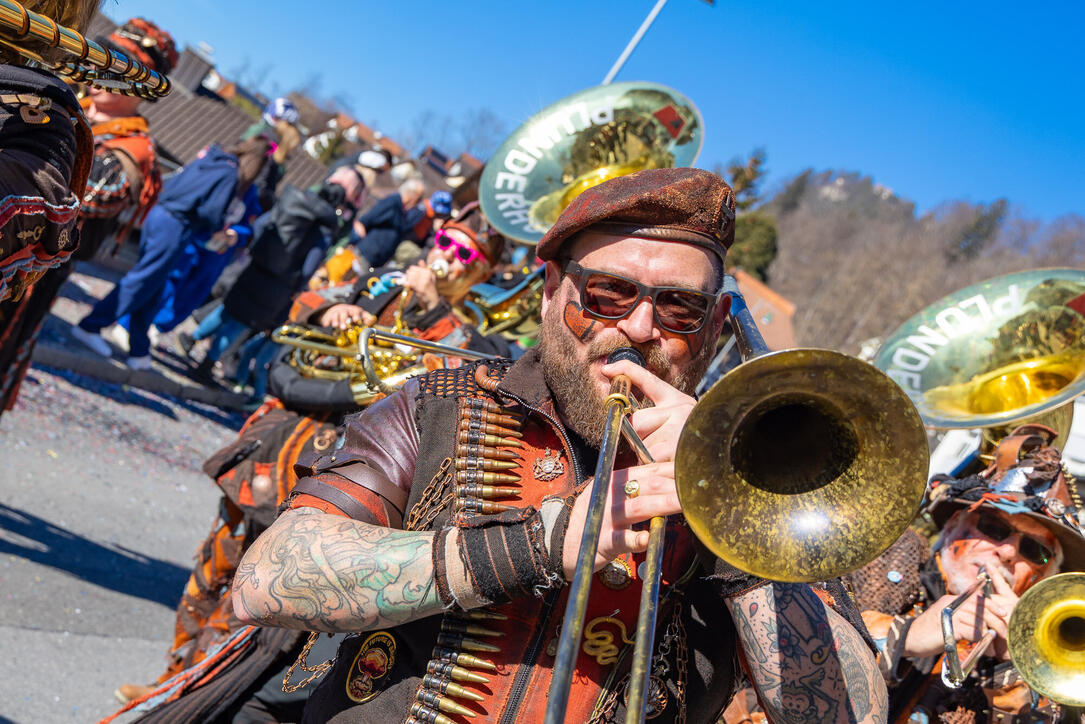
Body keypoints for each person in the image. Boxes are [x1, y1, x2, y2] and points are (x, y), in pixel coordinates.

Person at [232, 168, 886, 723]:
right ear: (551, 291)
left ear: (715, 327)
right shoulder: (445, 404)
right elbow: (267, 580)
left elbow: (849, 711)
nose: (637, 327)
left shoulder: (748, 495)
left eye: (679, 309)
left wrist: (734, 507)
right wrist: (535, 545)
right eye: (606, 293)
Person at [107, 206, 512, 721]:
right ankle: (166, 686)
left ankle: (196, 701)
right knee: (207, 579)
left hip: (328, 478)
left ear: (479, 273)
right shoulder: (382, 285)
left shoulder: (467, 337)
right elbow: (303, 305)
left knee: (249, 611)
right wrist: (330, 315)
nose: (446, 260)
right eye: (445, 244)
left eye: (464, 256)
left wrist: (433, 315)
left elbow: (443, 392)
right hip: (270, 450)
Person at [842, 424, 1085, 723]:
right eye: (994, 528)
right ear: (956, 522)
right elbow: (799, 644)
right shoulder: (881, 556)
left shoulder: (1046, 663)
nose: (1008, 552)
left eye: (1034, 551)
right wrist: (905, 637)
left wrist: (1020, 674)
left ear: (1043, 574)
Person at [70, 137, 272, 369]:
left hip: (160, 216)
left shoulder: (214, 159)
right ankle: (90, 325)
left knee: (153, 285)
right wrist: (218, 231)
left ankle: (139, 349)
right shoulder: (230, 174)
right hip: (177, 226)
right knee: (142, 280)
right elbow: (211, 211)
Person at [195, 165, 368, 380]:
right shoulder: (326, 224)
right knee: (238, 325)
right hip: (278, 284)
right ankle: (205, 365)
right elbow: (309, 266)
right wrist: (298, 287)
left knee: (227, 310)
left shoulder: (294, 200)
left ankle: (193, 338)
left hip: (256, 266)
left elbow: (261, 225)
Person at [351, 177, 425, 269]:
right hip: (365, 253)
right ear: (410, 193)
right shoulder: (393, 202)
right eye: (418, 197)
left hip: (376, 260)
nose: (419, 201)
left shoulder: (404, 211)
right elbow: (366, 220)